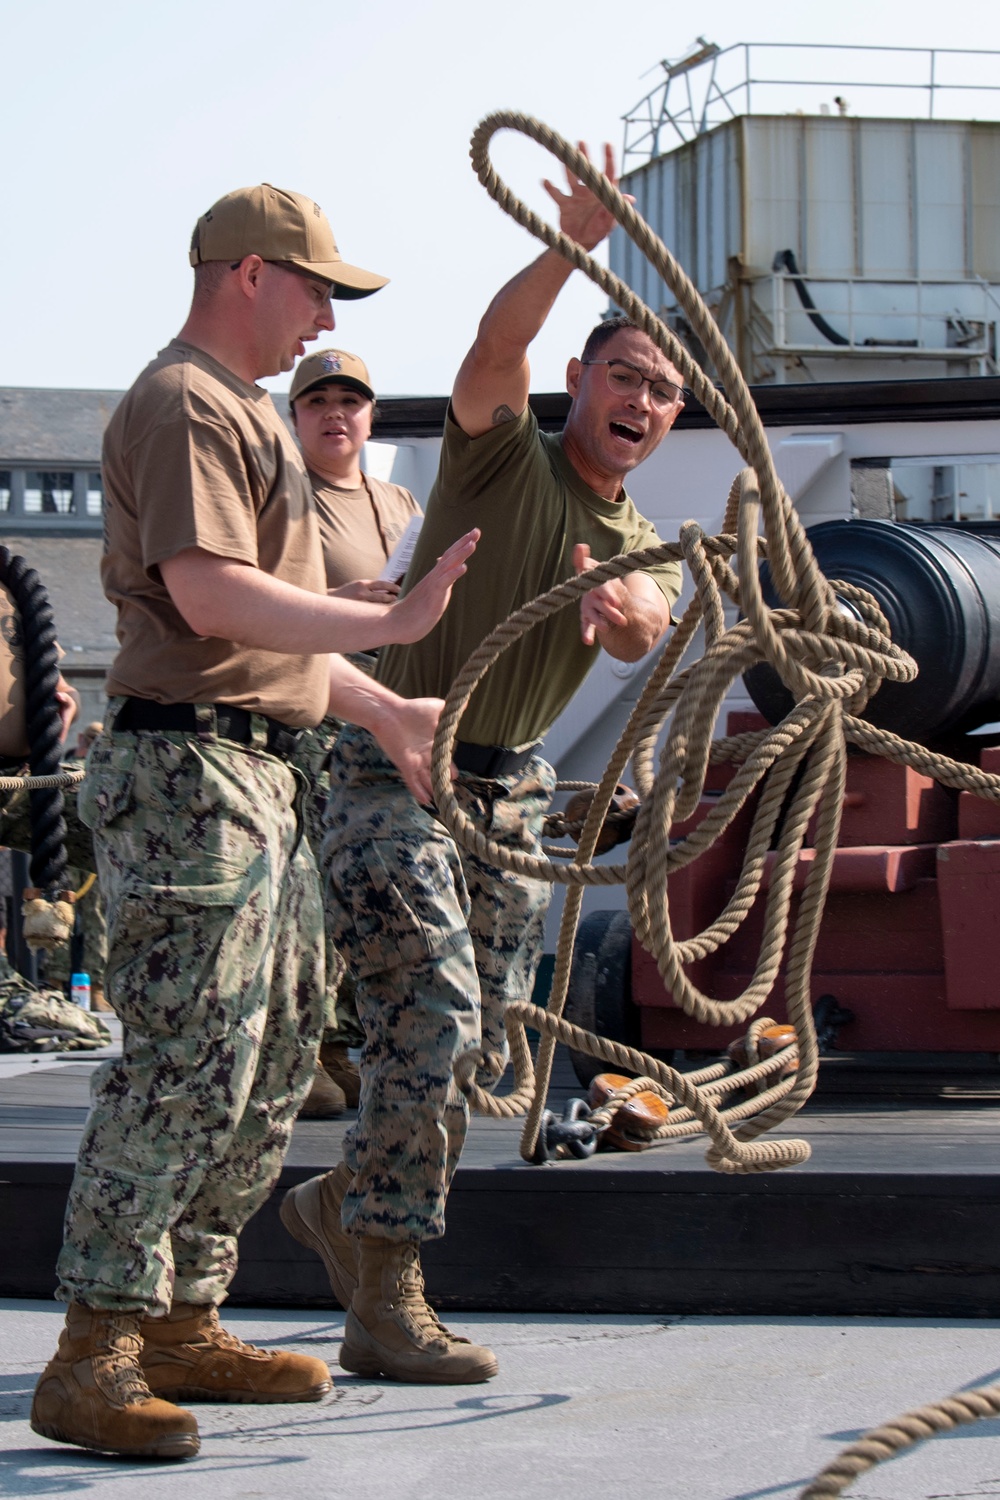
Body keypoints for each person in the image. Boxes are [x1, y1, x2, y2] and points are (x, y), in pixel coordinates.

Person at [30, 181, 477, 1462]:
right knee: (183, 1061)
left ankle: (180, 1320)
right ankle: (95, 1350)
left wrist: (380, 707)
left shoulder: (245, 419)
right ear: (244, 273)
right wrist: (386, 627)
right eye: (316, 285)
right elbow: (211, 599)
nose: (325, 315)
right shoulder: (181, 404)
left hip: (263, 773)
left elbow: (263, 635)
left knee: (276, 1058)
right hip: (191, 787)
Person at [281, 147, 685, 1384]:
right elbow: (492, 348)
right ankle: (389, 1298)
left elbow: (644, 625)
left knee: (481, 1049)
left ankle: (343, 1202)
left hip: (508, 795)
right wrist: (566, 246)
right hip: (388, 764)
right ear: (579, 382)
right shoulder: (501, 454)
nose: (643, 400)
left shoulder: (644, 545)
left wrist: (613, 614)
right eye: (623, 376)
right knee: (433, 1013)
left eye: (664, 392)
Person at [287, 347, 422, 1117]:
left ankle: (339, 1042)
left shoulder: (397, 502)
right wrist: (342, 598)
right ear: (296, 415)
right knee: (304, 883)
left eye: (351, 401)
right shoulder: (280, 495)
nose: (336, 414)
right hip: (310, 706)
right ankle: (299, 1046)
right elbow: (250, 596)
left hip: (383, 707)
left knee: (359, 888)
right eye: (318, 401)